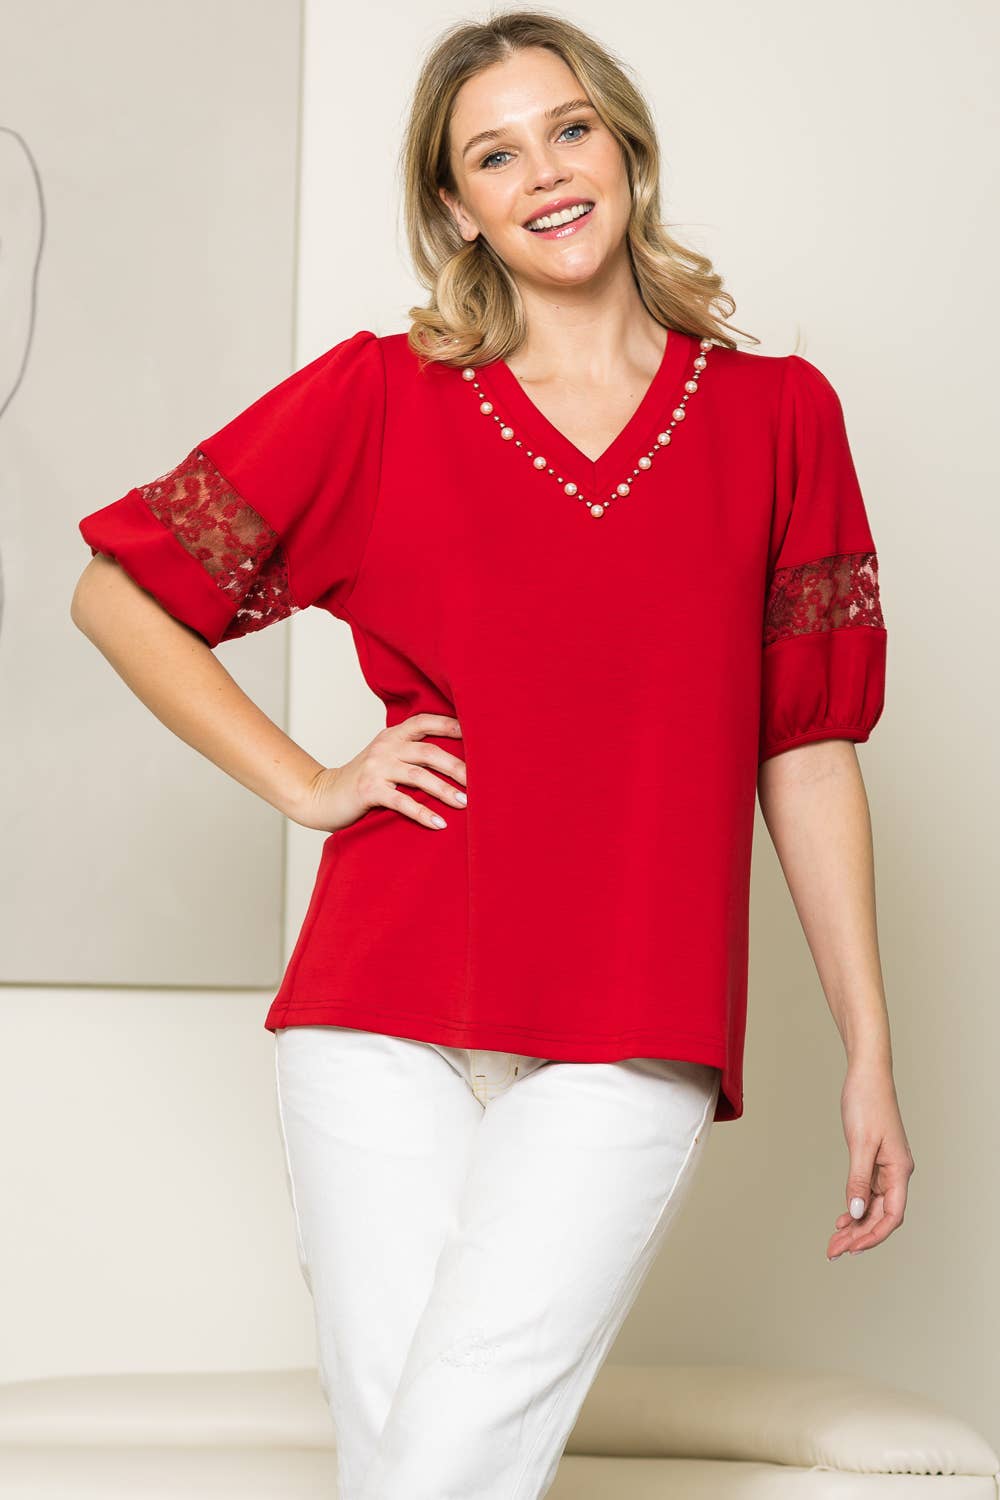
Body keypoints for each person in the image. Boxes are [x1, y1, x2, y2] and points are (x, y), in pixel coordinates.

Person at [70, 11, 914, 1499]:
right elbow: (120, 594)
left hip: (636, 1001)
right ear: (457, 207)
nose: (546, 174)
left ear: (626, 148)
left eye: (569, 130)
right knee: (409, 1453)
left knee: (448, 1448)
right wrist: (311, 784)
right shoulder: (380, 394)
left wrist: (869, 1053)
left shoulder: (780, 415)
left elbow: (810, 746)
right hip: (380, 997)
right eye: (495, 155)